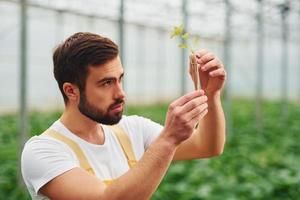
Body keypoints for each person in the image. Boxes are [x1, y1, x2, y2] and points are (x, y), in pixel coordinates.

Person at [21, 32, 226, 200]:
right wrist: (168, 139)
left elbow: (206, 146)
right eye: (106, 83)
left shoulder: (132, 129)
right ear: (71, 91)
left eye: (120, 79)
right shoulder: (43, 151)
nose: (121, 93)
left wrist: (211, 93)